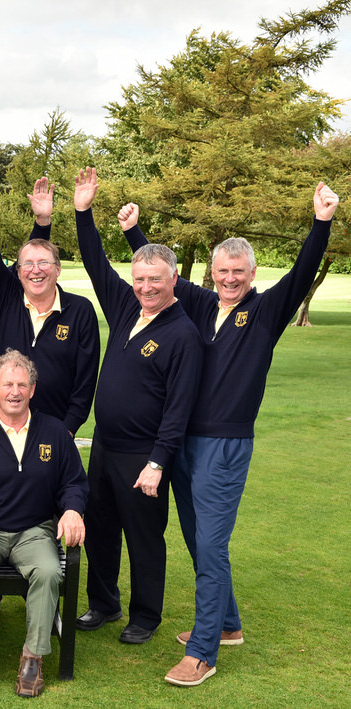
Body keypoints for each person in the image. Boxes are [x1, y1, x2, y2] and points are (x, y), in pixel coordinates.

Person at [116, 184, 340, 686]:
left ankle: (203, 652)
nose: (230, 279)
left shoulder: (264, 311)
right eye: (223, 272)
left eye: (239, 272)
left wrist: (320, 224)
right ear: (212, 274)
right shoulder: (198, 304)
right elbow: (160, 274)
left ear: (253, 274)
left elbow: (302, 273)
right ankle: (229, 626)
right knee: (198, 539)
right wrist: (134, 232)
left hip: (225, 445)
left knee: (212, 546)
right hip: (182, 443)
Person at [72, 167, 203, 645]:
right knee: (100, 529)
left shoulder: (182, 334)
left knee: (144, 539)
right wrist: (83, 213)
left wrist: (157, 463)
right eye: (140, 278)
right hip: (106, 447)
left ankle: (145, 616)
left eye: (156, 280)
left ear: (174, 280)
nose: (146, 287)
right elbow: (94, 264)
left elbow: (179, 408)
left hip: (144, 454)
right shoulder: (127, 306)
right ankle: (103, 604)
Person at [0, 349, 88, 697]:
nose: (14, 391)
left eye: (22, 384)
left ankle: (33, 656)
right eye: (7, 384)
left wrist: (72, 509)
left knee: (47, 572)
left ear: (32, 389)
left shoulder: (55, 432)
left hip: (34, 530)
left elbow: (73, 481)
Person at [0, 167, 100, 435]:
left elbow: (86, 381)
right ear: (18, 271)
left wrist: (68, 430)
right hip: (2, 430)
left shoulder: (80, 311)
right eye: (28, 265)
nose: (36, 270)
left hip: (56, 432)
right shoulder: (5, 300)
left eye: (44, 263)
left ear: (58, 269)